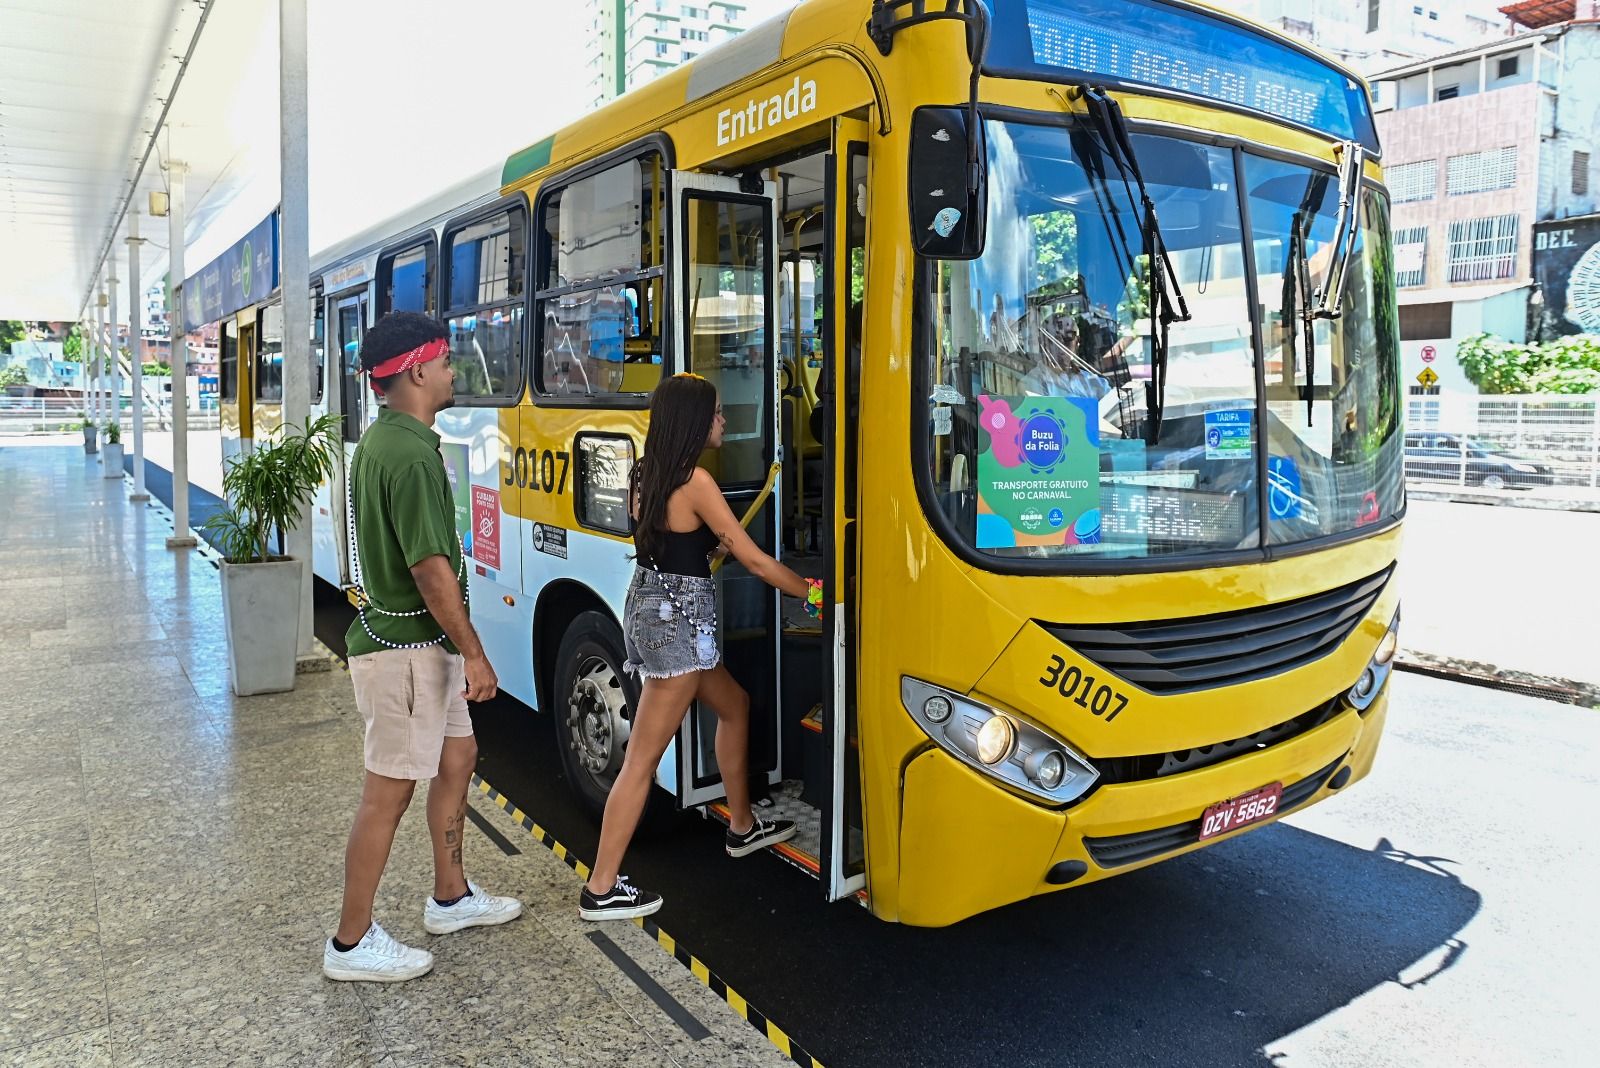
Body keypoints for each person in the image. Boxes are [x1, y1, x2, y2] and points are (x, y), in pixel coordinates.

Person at [323, 311, 522, 982]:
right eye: (444, 361)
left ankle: (451, 895)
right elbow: (430, 568)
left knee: (459, 754)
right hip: (406, 652)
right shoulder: (406, 454)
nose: (452, 371)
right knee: (388, 792)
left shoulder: (394, 440)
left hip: (420, 644)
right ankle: (350, 943)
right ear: (414, 371)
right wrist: (475, 652)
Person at [579, 372, 816, 920]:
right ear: (693, 423)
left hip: (654, 610)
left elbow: (668, 544)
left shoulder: (646, 474)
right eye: (715, 414)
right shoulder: (697, 482)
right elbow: (754, 560)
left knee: (733, 706)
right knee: (641, 759)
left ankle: (740, 825)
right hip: (677, 627)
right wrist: (815, 593)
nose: (723, 421)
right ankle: (601, 887)